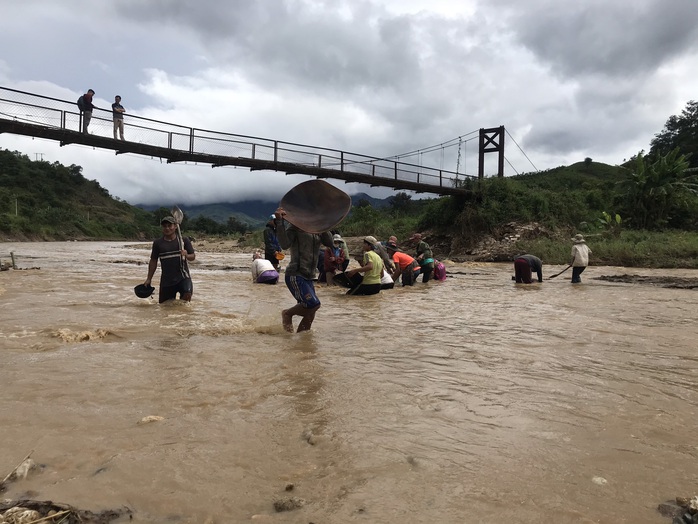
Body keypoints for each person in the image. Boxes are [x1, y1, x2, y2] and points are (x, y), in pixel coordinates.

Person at [275, 208, 334, 333]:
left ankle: (302, 343)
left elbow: (329, 242)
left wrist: (323, 226)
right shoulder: (295, 227)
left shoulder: (317, 229)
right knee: (313, 304)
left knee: (310, 313)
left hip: (309, 276)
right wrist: (280, 222)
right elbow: (284, 244)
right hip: (296, 274)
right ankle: (287, 314)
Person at [144, 216, 196, 303]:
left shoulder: (183, 241)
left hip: (183, 277)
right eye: (165, 226)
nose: (167, 228)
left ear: (175, 226)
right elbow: (153, 261)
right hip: (167, 281)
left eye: (169, 225)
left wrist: (186, 255)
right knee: (165, 307)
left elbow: (193, 257)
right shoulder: (158, 243)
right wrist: (149, 278)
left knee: (187, 296)